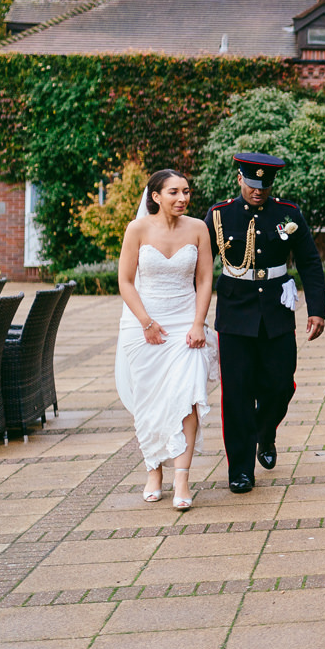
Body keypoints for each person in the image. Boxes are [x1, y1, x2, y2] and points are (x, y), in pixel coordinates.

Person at [204, 152, 325, 493]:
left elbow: (310, 262)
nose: (259, 191)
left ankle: (265, 432)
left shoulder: (287, 213)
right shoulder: (219, 214)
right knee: (237, 395)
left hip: (276, 310)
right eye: (253, 184)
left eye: (266, 185)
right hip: (234, 312)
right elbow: (200, 264)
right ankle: (240, 471)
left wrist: (317, 309)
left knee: (281, 384)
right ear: (240, 179)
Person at [115, 168, 216, 511]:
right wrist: (146, 322)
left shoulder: (199, 228)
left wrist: (199, 323)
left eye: (186, 191)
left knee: (186, 399)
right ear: (155, 197)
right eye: (174, 192)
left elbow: (204, 281)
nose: (182, 198)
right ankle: (153, 472)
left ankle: (182, 480)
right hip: (145, 325)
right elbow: (126, 281)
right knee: (151, 402)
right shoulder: (137, 229)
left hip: (186, 325)